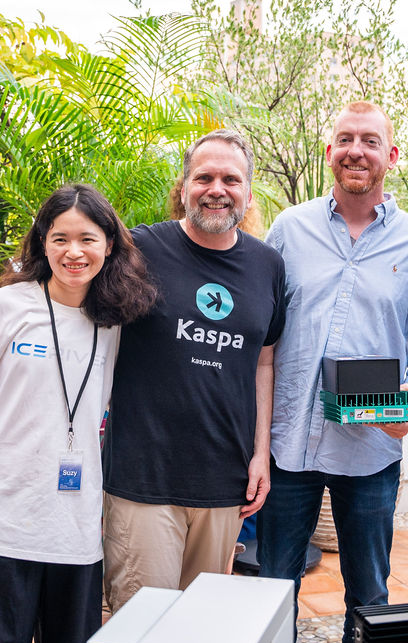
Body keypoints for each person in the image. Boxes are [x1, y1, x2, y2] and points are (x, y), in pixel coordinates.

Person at [256, 101, 408, 643]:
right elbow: (261, 329)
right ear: (329, 153)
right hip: (289, 445)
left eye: (370, 141)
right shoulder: (289, 229)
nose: (356, 151)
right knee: (273, 590)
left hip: (370, 448)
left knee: (369, 594)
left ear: (391, 155)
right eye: (345, 139)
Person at [0, 184, 156, 643]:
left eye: (87, 239)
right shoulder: (8, 306)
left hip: (74, 524)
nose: (73, 252)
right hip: (1, 519)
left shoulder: (115, 318)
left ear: (109, 244)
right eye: (60, 238)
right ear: (42, 242)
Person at [102, 129, 287, 612]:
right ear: (183, 187)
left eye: (231, 179)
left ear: (248, 193)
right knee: (141, 629)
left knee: (200, 627)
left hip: (224, 481)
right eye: (204, 177)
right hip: (143, 479)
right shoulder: (140, 249)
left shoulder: (267, 265)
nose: (217, 189)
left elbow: (264, 360)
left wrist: (260, 455)